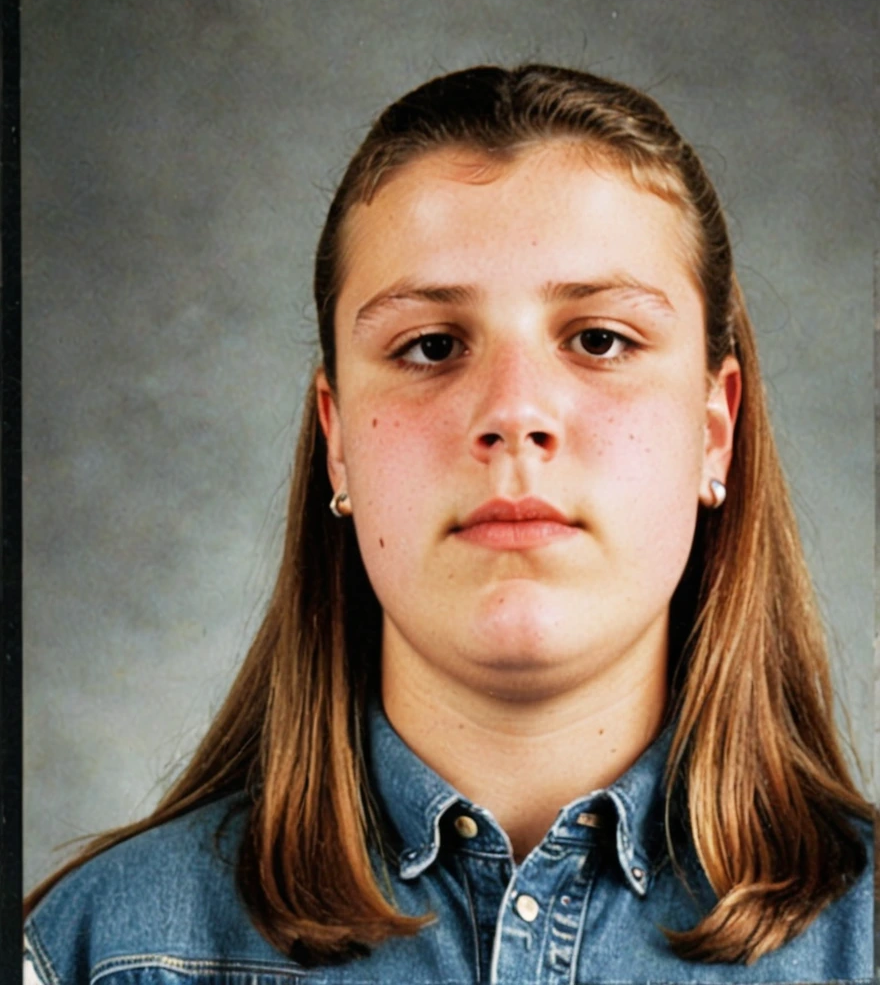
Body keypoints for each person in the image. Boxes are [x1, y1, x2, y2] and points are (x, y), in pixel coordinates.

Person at [24, 64, 873, 984]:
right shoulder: (98, 955)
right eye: (431, 346)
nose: (513, 412)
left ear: (715, 431)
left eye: (599, 339)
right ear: (337, 438)